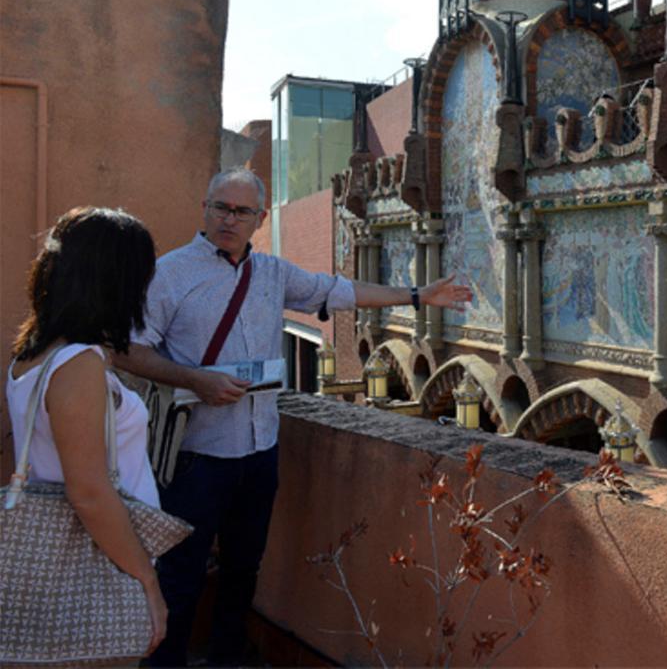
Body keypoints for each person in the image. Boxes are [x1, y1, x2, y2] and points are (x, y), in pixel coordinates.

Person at [113, 168, 472, 667]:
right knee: (181, 572)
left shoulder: (274, 274)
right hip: (196, 454)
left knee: (243, 568)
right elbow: (128, 351)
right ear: (204, 208)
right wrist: (196, 379)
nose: (228, 219)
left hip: (260, 451)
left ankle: (226, 658)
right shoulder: (169, 273)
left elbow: (340, 291)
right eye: (220, 207)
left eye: (241, 211)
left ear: (260, 219)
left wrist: (417, 296)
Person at [6, 207, 168, 655]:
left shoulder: (35, 351)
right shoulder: (77, 364)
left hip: (65, 565)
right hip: (99, 565)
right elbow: (90, 492)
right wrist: (149, 583)